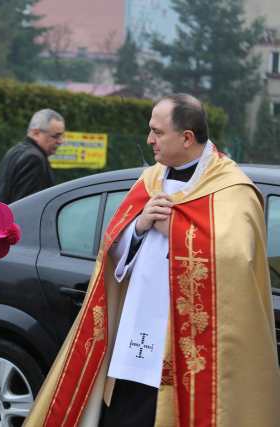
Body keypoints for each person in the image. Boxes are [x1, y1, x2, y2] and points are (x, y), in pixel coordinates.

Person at [25, 94, 280, 426]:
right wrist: (139, 227)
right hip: (136, 334)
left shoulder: (233, 190)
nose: (149, 140)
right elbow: (112, 248)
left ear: (186, 137)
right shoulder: (151, 180)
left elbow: (235, 261)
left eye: (157, 132)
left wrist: (177, 230)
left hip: (192, 348)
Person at [0, 109, 65, 204]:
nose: (60, 141)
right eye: (56, 136)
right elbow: (27, 205)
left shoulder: (15, 151)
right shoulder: (34, 159)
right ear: (36, 133)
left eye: (61, 136)